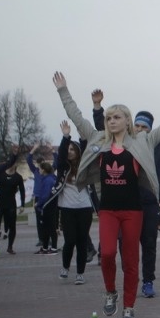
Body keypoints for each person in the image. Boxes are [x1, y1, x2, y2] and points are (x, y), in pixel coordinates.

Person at [53, 71, 160, 318]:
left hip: (133, 211)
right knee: (107, 254)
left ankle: (128, 307)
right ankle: (111, 292)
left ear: (127, 121)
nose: (111, 121)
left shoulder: (143, 140)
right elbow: (75, 115)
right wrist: (63, 91)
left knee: (130, 259)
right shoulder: (97, 140)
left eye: (116, 117)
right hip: (108, 210)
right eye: (108, 118)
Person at [92, 93, 160, 299]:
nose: (139, 130)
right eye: (137, 126)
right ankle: (129, 280)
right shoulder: (124, 144)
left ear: (149, 129)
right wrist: (98, 108)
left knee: (149, 243)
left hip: (148, 201)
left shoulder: (156, 144)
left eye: (144, 127)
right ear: (131, 125)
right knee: (123, 246)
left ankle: (148, 281)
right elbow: (102, 131)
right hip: (125, 201)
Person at [51, 121, 92, 284]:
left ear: (77, 151)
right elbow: (60, 154)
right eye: (68, 150)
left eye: (72, 149)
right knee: (70, 240)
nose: (69, 152)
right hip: (67, 209)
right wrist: (66, 137)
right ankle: (65, 266)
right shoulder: (62, 167)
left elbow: (88, 151)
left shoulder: (84, 166)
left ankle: (80, 273)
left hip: (85, 209)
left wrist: (82, 137)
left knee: (82, 241)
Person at [27, 147, 58, 254]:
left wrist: (53, 151)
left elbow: (57, 162)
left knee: (49, 224)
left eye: (41, 164)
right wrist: (33, 149)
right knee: (41, 222)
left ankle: (50, 244)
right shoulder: (36, 171)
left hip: (45, 200)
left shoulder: (49, 176)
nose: (39, 166)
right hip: (38, 197)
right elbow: (28, 160)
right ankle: (43, 242)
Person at [0, 146, 26, 255]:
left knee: (12, 226)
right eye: (13, 163)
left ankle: (10, 247)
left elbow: (22, 191)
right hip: (0, 203)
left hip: (11, 204)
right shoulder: (1, 174)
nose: (14, 165)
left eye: (16, 163)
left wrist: (22, 205)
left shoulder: (18, 177)